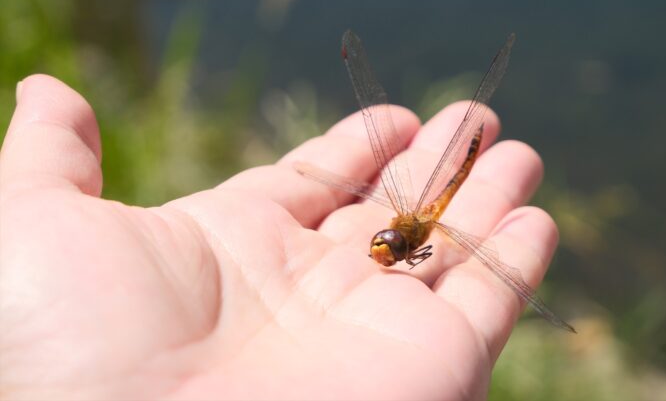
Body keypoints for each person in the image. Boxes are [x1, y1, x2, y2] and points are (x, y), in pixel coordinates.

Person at [0, 74, 560, 400]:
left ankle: (476, 144)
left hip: (445, 190)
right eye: (384, 244)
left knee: (477, 178)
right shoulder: (393, 234)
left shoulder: (419, 232)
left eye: (388, 248)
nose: (380, 249)